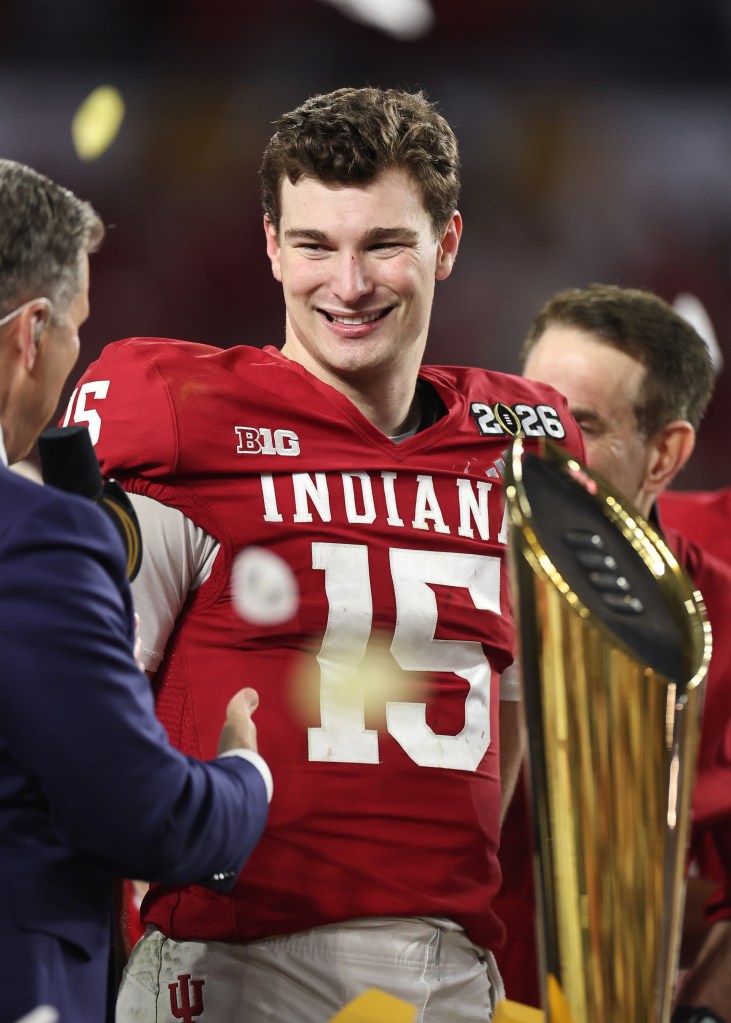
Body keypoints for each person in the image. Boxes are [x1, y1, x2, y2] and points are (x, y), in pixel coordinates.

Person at [65, 87, 585, 1021]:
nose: (347, 285)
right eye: (314, 245)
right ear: (270, 246)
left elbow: (503, 710)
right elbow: (83, 696)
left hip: (451, 962)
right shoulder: (181, 414)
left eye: (383, 243)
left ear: (447, 243)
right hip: (240, 963)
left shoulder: (520, 445)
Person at [0, 159, 272, 1023]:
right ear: (28, 335)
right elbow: (139, 815)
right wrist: (245, 778)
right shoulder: (37, 534)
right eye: (75, 327)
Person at [495, 282, 731, 1021]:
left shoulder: (715, 619)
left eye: (581, 423)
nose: (537, 447)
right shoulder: (429, 557)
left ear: (664, 453)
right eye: (524, 415)